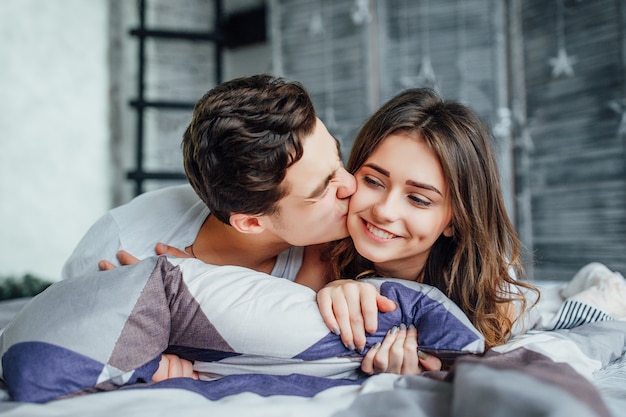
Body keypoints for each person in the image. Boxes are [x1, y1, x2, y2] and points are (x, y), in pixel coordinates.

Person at [62, 74, 356, 291]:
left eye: (338, 158)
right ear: (251, 223)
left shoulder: (352, 233)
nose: (352, 185)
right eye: (323, 189)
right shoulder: (123, 248)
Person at [316, 87, 539, 374]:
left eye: (419, 199)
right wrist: (334, 288)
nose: (384, 211)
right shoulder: (317, 256)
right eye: (373, 181)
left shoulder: (488, 304)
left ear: (454, 221)